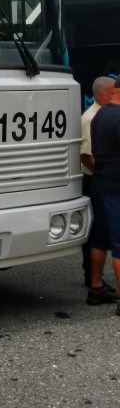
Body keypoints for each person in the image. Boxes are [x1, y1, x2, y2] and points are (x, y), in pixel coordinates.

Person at [88, 76, 120, 312]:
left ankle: (96, 287)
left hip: (100, 182)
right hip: (116, 187)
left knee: (100, 238)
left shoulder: (100, 114)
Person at [80, 76, 114, 287]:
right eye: (112, 92)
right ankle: (92, 276)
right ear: (101, 94)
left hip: (101, 177)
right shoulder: (90, 118)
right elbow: (85, 155)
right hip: (93, 179)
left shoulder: (105, 115)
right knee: (96, 231)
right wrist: (105, 172)